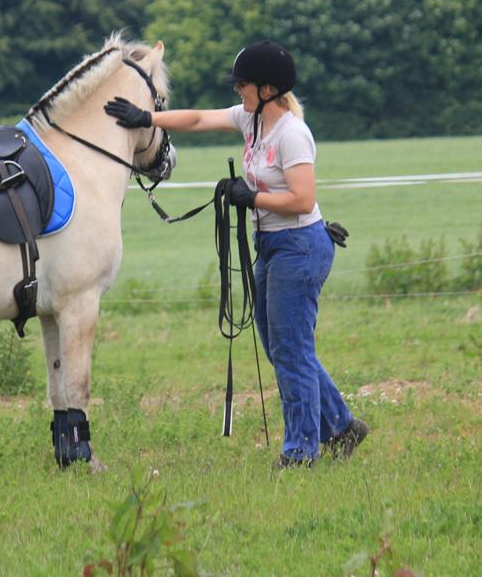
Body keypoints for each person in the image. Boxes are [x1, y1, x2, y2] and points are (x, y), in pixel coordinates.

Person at [104, 40, 367, 467]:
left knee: (291, 350)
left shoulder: (292, 134)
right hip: (274, 246)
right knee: (284, 347)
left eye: (243, 84)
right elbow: (198, 118)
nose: (237, 91)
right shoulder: (251, 119)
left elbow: (302, 199)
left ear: (267, 88)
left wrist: (252, 198)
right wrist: (146, 117)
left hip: (299, 247)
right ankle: (341, 426)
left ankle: (301, 451)